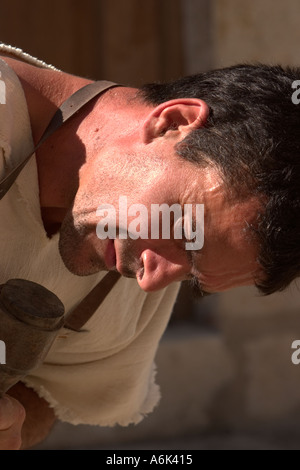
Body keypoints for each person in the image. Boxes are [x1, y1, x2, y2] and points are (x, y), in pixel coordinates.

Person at [0, 43, 299, 450]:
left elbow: (50, 393)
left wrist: (14, 421)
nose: (151, 281)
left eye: (192, 277)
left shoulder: (131, 284)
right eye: (184, 233)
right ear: (173, 122)